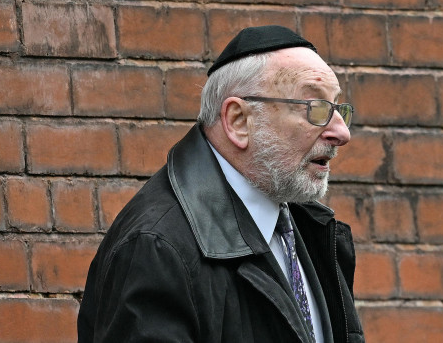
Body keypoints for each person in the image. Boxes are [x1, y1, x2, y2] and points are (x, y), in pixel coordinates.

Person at [78, 25, 366, 343]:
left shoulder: (310, 228)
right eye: (315, 108)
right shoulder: (156, 249)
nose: (342, 133)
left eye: (338, 108)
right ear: (238, 121)